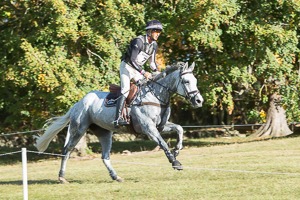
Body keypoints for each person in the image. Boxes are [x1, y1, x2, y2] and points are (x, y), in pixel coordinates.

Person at [114, 20, 163, 128]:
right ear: (149, 31)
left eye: (159, 31)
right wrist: (144, 72)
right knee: (125, 90)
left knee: (146, 88)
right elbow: (132, 60)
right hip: (126, 67)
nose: (158, 33)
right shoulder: (138, 41)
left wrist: (158, 72)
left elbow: (152, 63)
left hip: (137, 70)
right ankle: (117, 118)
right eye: (156, 31)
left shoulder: (154, 45)